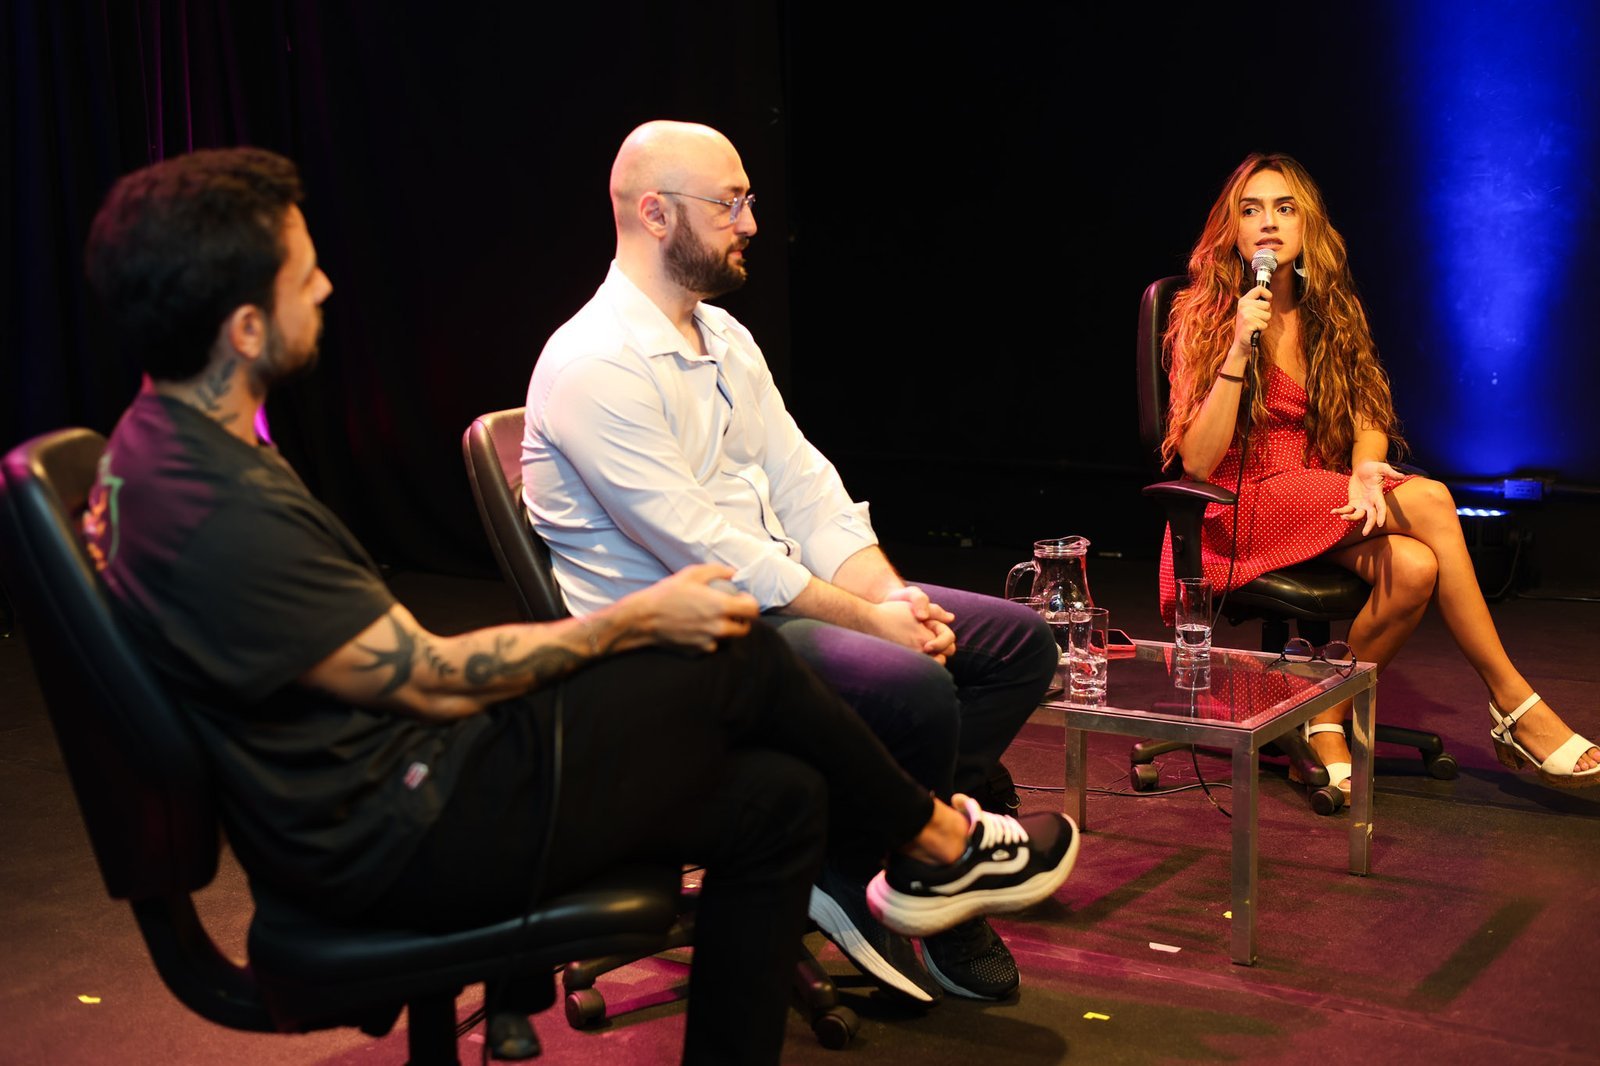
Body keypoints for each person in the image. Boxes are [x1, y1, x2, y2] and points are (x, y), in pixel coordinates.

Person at [78, 146, 1079, 1066]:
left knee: (779, 801)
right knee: (729, 653)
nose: (329, 287)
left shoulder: (159, 450)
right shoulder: (218, 503)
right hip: (393, 834)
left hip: (389, 791)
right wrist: (630, 626)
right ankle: (936, 843)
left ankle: (927, 849)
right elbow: (423, 675)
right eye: (305, 277)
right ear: (244, 326)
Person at [521, 120, 1063, 1004]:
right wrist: (873, 624)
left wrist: (890, 595)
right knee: (912, 681)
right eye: (729, 202)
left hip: (773, 606)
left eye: (749, 200)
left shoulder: (725, 339)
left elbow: (805, 486)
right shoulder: (592, 364)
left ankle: (872, 858)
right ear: (656, 214)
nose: (750, 221)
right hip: (681, 649)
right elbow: (707, 550)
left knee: (1014, 644)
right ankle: (895, 872)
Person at [1158, 151, 1598, 793]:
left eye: (1286, 208)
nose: (1269, 223)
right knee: (1434, 500)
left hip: (1313, 497)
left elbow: (1368, 407)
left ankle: (1324, 715)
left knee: (1416, 568)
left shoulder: (1330, 312)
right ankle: (1514, 703)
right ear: (1232, 230)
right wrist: (1235, 350)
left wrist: (1366, 468)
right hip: (1236, 505)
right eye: (1251, 210)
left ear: (1309, 227)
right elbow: (1196, 460)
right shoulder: (1204, 316)